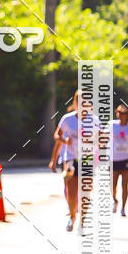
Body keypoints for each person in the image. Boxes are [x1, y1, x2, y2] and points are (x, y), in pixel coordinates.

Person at [53, 91, 79, 232]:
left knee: (83, 187)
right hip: (69, 157)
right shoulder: (67, 119)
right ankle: (72, 214)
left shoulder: (94, 120)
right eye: (79, 101)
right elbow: (57, 136)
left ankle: (78, 208)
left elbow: (101, 140)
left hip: (86, 158)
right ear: (75, 103)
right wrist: (65, 140)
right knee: (69, 185)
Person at [111, 105, 128, 216]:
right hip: (114, 158)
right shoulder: (111, 125)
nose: (121, 115)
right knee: (113, 184)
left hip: (127, 158)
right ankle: (115, 200)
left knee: (125, 184)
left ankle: (123, 208)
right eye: (119, 113)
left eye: (123, 113)